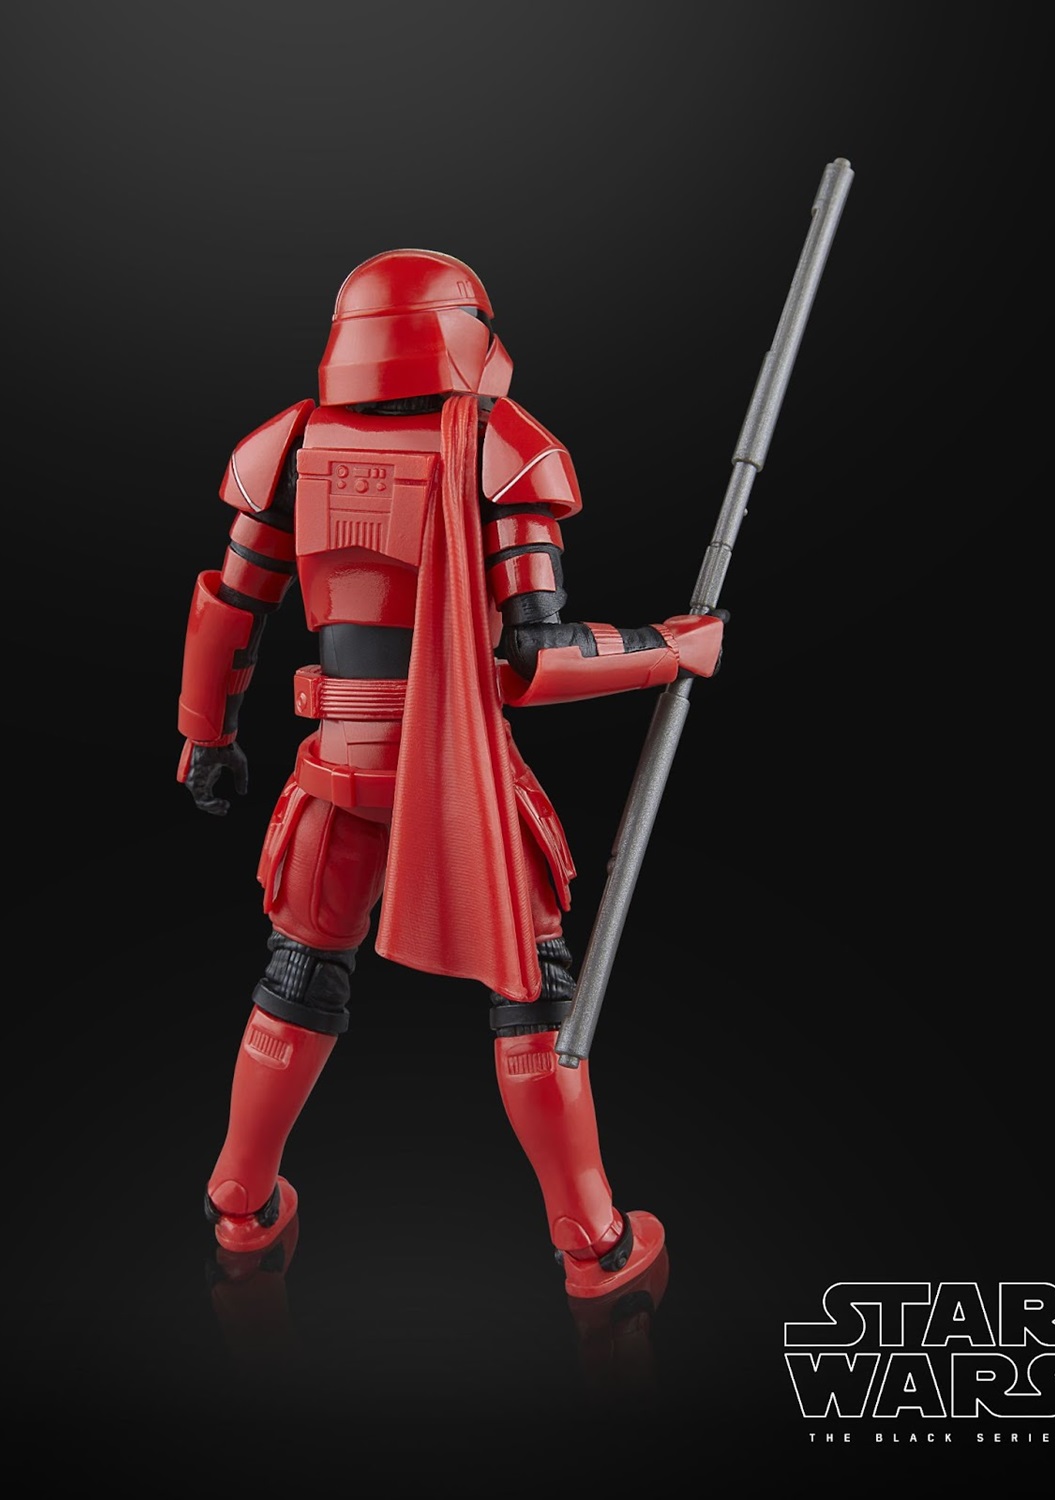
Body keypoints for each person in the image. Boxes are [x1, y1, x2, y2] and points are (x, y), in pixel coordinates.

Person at [177, 249, 723, 1299]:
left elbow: (230, 605)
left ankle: (238, 1201)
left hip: (334, 772)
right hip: (459, 777)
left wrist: (208, 736)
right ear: (463, 331)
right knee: (532, 994)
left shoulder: (290, 447)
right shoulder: (495, 450)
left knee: (295, 979)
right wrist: (672, 648)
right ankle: (591, 1239)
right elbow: (536, 658)